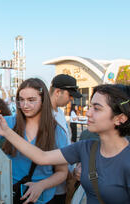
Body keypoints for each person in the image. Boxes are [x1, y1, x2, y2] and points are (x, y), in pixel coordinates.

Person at [0, 83, 130, 204]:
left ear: (120, 118)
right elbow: (41, 157)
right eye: (90, 106)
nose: (88, 113)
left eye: (97, 108)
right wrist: (6, 131)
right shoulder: (86, 147)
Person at [0, 78, 69, 203]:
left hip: (41, 198)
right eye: (21, 100)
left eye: (31, 100)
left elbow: (62, 172)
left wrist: (42, 185)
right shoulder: (9, 122)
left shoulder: (57, 132)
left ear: (43, 101)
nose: (25, 105)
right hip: (9, 193)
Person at [49, 74, 82, 203]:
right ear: (58, 92)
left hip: (64, 183)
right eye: (70, 95)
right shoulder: (44, 116)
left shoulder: (60, 113)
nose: (71, 100)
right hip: (50, 187)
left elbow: (66, 142)